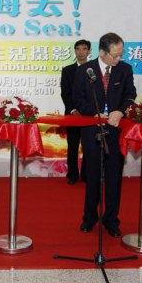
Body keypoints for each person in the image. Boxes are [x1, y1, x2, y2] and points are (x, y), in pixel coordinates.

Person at [73, 33, 136, 238]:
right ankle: (89, 218)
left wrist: (120, 110)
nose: (118, 60)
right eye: (114, 56)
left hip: (116, 130)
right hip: (92, 130)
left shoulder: (124, 69)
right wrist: (94, 113)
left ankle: (111, 219)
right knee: (92, 176)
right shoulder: (85, 70)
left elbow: (130, 95)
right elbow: (78, 99)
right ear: (102, 52)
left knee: (114, 177)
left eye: (120, 55)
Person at [60, 39, 90, 185]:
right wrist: (73, 109)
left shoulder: (94, 70)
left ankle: (86, 175)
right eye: (78, 49)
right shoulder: (67, 70)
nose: (81, 52)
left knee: (88, 146)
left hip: (89, 115)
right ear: (75, 51)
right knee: (72, 146)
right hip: (72, 115)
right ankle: (72, 175)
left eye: (84, 49)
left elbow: (97, 94)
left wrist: (87, 111)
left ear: (89, 51)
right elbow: (65, 93)